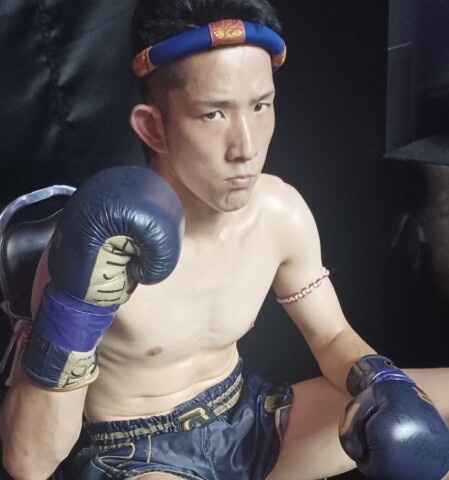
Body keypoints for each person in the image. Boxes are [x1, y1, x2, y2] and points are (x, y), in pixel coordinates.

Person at [1, 0, 449, 479]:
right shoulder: (97, 249)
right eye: (213, 114)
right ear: (153, 127)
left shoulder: (279, 211)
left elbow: (331, 336)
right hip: (140, 455)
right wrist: (74, 310)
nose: (246, 148)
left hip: (253, 421)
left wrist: (383, 381)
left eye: (260, 106)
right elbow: (29, 463)